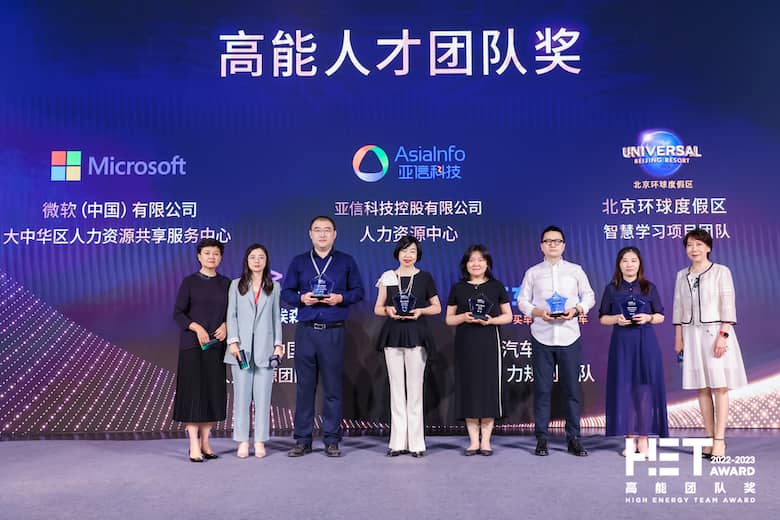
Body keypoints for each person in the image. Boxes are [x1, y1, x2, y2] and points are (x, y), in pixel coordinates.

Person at [281, 216, 364, 457]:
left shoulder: (346, 261)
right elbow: (286, 292)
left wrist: (341, 298)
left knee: (333, 389)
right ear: (310, 234)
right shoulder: (299, 261)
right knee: (304, 389)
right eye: (317, 230)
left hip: (333, 331)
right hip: (306, 331)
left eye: (327, 230)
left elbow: (358, 291)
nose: (322, 234)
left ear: (335, 234)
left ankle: (331, 439)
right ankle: (302, 440)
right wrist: (301, 298)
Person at [517, 225, 595, 457]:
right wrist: (538, 312)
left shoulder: (575, 270)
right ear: (541, 246)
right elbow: (522, 301)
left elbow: (589, 295)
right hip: (542, 336)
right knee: (542, 390)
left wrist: (577, 309)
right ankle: (542, 438)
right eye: (548, 241)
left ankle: (574, 438)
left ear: (564, 245)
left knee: (572, 390)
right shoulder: (533, 273)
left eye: (557, 241)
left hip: (569, 335)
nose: (553, 244)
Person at [673, 228, 747, 459]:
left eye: (699, 244)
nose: (694, 249)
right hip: (691, 335)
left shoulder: (721, 272)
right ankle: (709, 437)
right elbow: (678, 308)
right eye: (690, 245)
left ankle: (720, 441)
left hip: (716, 333)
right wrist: (678, 338)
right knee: (702, 387)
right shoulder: (681, 275)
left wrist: (723, 335)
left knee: (719, 387)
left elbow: (728, 305)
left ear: (708, 247)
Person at [374, 236, 441, 458]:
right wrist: (388, 310)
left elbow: (437, 307)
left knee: (415, 390)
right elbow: (377, 308)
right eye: (404, 251)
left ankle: (416, 443)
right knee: (396, 389)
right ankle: (397, 443)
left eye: (412, 251)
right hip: (393, 335)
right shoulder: (388, 276)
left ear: (418, 254)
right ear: (397, 253)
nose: (407, 255)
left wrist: (421, 310)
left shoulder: (425, 277)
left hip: (417, 335)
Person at [599, 246, 668, 457]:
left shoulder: (649, 287)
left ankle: (644, 438)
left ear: (640, 264)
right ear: (619, 265)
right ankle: (629, 438)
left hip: (645, 342)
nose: (629, 264)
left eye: (633, 260)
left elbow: (661, 315)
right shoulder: (612, 289)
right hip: (622, 343)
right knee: (625, 389)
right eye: (625, 261)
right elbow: (602, 317)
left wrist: (648, 317)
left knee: (644, 389)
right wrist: (615, 319)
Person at [445, 244, 512, 456]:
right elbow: (449, 319)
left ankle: (486, 442)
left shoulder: (496, 286)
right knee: (470, 389)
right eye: (472, 260)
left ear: (487, 263)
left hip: (489, 342)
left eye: (480, 260)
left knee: (488, 389)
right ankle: (474, 442)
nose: (476, 264)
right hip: (466, 344)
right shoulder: (458, 288)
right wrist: (463, 317)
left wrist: (491, 321)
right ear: (466, 264)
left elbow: (508, 316)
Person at [172, 238, 231, 462]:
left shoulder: (226, 283)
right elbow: (178, 313)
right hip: (192, 346)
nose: (211, 257)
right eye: (207, 253)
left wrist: (227, 325)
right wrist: (196, 327)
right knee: (193, 394)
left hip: (216, 346)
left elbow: (233, 312)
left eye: (215, 253)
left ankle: (206, 442)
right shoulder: (189, 282)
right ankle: (193, 444)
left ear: (221, 257)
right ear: (199, 256)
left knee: (212, 393)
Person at [225, 244, 284, 459]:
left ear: (266, 261)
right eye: (253, 257)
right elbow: (231, 314)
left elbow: (276, 317)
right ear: (247, 261)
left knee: (263, 398)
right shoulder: (236, 285)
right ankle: (242, 441)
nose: (257, 261)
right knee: (241, 398)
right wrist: (233, 341)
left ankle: (259, 441)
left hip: (265, 350)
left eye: (261, 257)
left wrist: (278, 344)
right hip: (240, 350)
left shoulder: (274, 287)